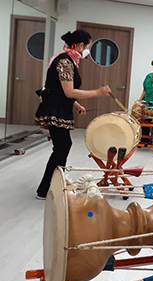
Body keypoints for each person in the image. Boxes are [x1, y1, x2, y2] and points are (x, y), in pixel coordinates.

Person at [35, 30, 111, 200]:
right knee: (62, 147)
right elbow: (69, 92)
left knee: (62, 146)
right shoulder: (65, 61)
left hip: (59, 107)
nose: (87, 51)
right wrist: (97, 92)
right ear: (78, 45)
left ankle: (52, 185)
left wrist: (76, 105)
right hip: (55, 109)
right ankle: (46, 189)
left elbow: (61, 90)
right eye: (87, 47)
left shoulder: (67, 59)